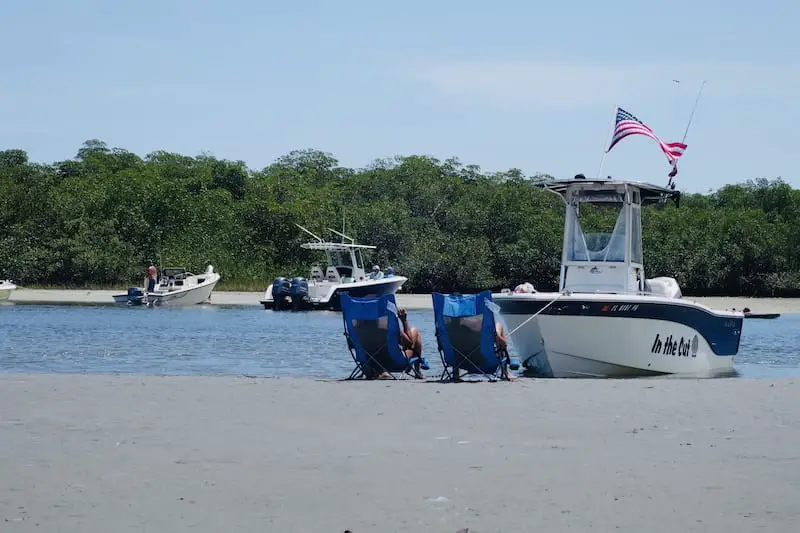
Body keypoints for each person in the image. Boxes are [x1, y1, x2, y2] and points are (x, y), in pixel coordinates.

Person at [397, 307, 424, 379]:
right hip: (395, 360)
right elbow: (409, 343)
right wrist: (404, 320)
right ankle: (417, 370)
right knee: (414, 331)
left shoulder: (364, 324)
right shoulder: (391, 327)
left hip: (371, 359)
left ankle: (375, 370)